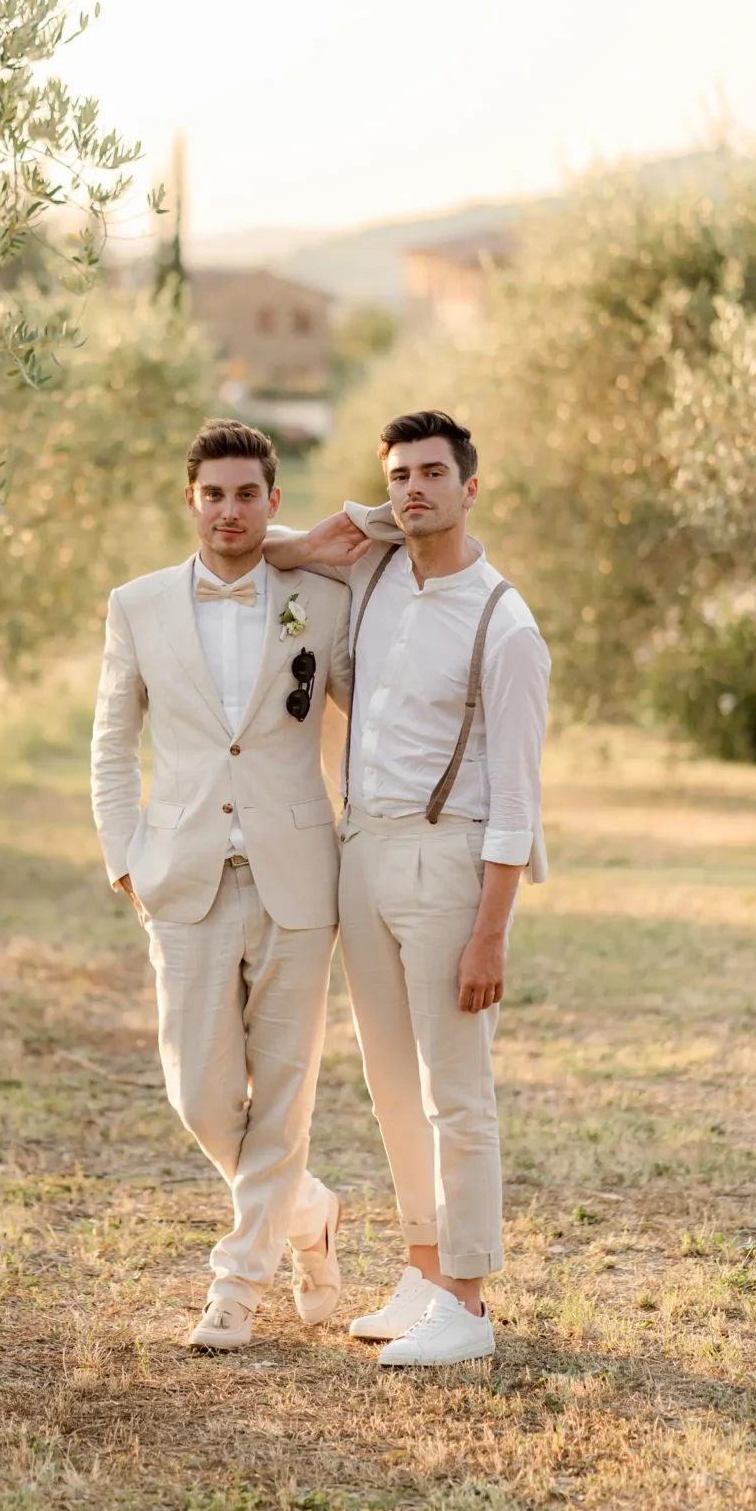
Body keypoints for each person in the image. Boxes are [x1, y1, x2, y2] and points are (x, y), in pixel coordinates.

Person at [265, 409, 550, 1367]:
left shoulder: (506, 624)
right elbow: (252, 541)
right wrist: (354, 524)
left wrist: (491, 932)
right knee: (392, 1084)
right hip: (363, 852)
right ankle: (424, 1271)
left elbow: (517, 798)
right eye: (398, 477)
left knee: (456, 1093)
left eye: (432, 473)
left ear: (472, 488)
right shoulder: (375, 571)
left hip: (450, 859)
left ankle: (467, 1303)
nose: (414, 489)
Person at [90, 420, 352, 1352]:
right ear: (189, 499)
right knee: (201, 1096)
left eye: (249, 495)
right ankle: (306, 1210)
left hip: (297, 875)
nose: (231, 511)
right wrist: (125, 854)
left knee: (285, 1094)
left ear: (274, 502)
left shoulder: (321, 596)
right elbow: (112, 741)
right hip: (184, 876)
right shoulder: (139, 605)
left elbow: (399, 523)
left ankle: (235, 1288)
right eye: (215, 494)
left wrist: (308, 544)